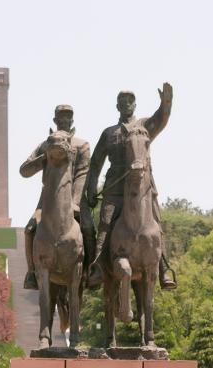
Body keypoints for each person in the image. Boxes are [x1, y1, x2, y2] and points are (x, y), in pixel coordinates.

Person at [84, 85, 177, 290]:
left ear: (135, 105)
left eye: (130, 101)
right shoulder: (109, 133)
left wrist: (166, 103)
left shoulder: (144, 127)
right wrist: (91, 187)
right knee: (105, 223)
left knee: (156, 222)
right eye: (122, 101)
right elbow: (96, 163)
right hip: (115, 189)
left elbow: (161, 118)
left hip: (142, 191)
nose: (126, 104)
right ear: (117, 106)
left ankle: (162, 267)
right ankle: (98, 267)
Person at [19, 104, 92, 290]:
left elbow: (82, 174)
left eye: (68, 117)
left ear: (72, 120)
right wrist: (45, 156)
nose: (64, 120)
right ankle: (31, 273)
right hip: (47, 202)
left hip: (73, 200)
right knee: (29, 229)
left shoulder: (81, 145)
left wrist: (75, 202)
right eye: (61, 117)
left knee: (88, 228)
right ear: (55, 120)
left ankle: (91, 270)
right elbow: (24, 171)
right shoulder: (45, 144)